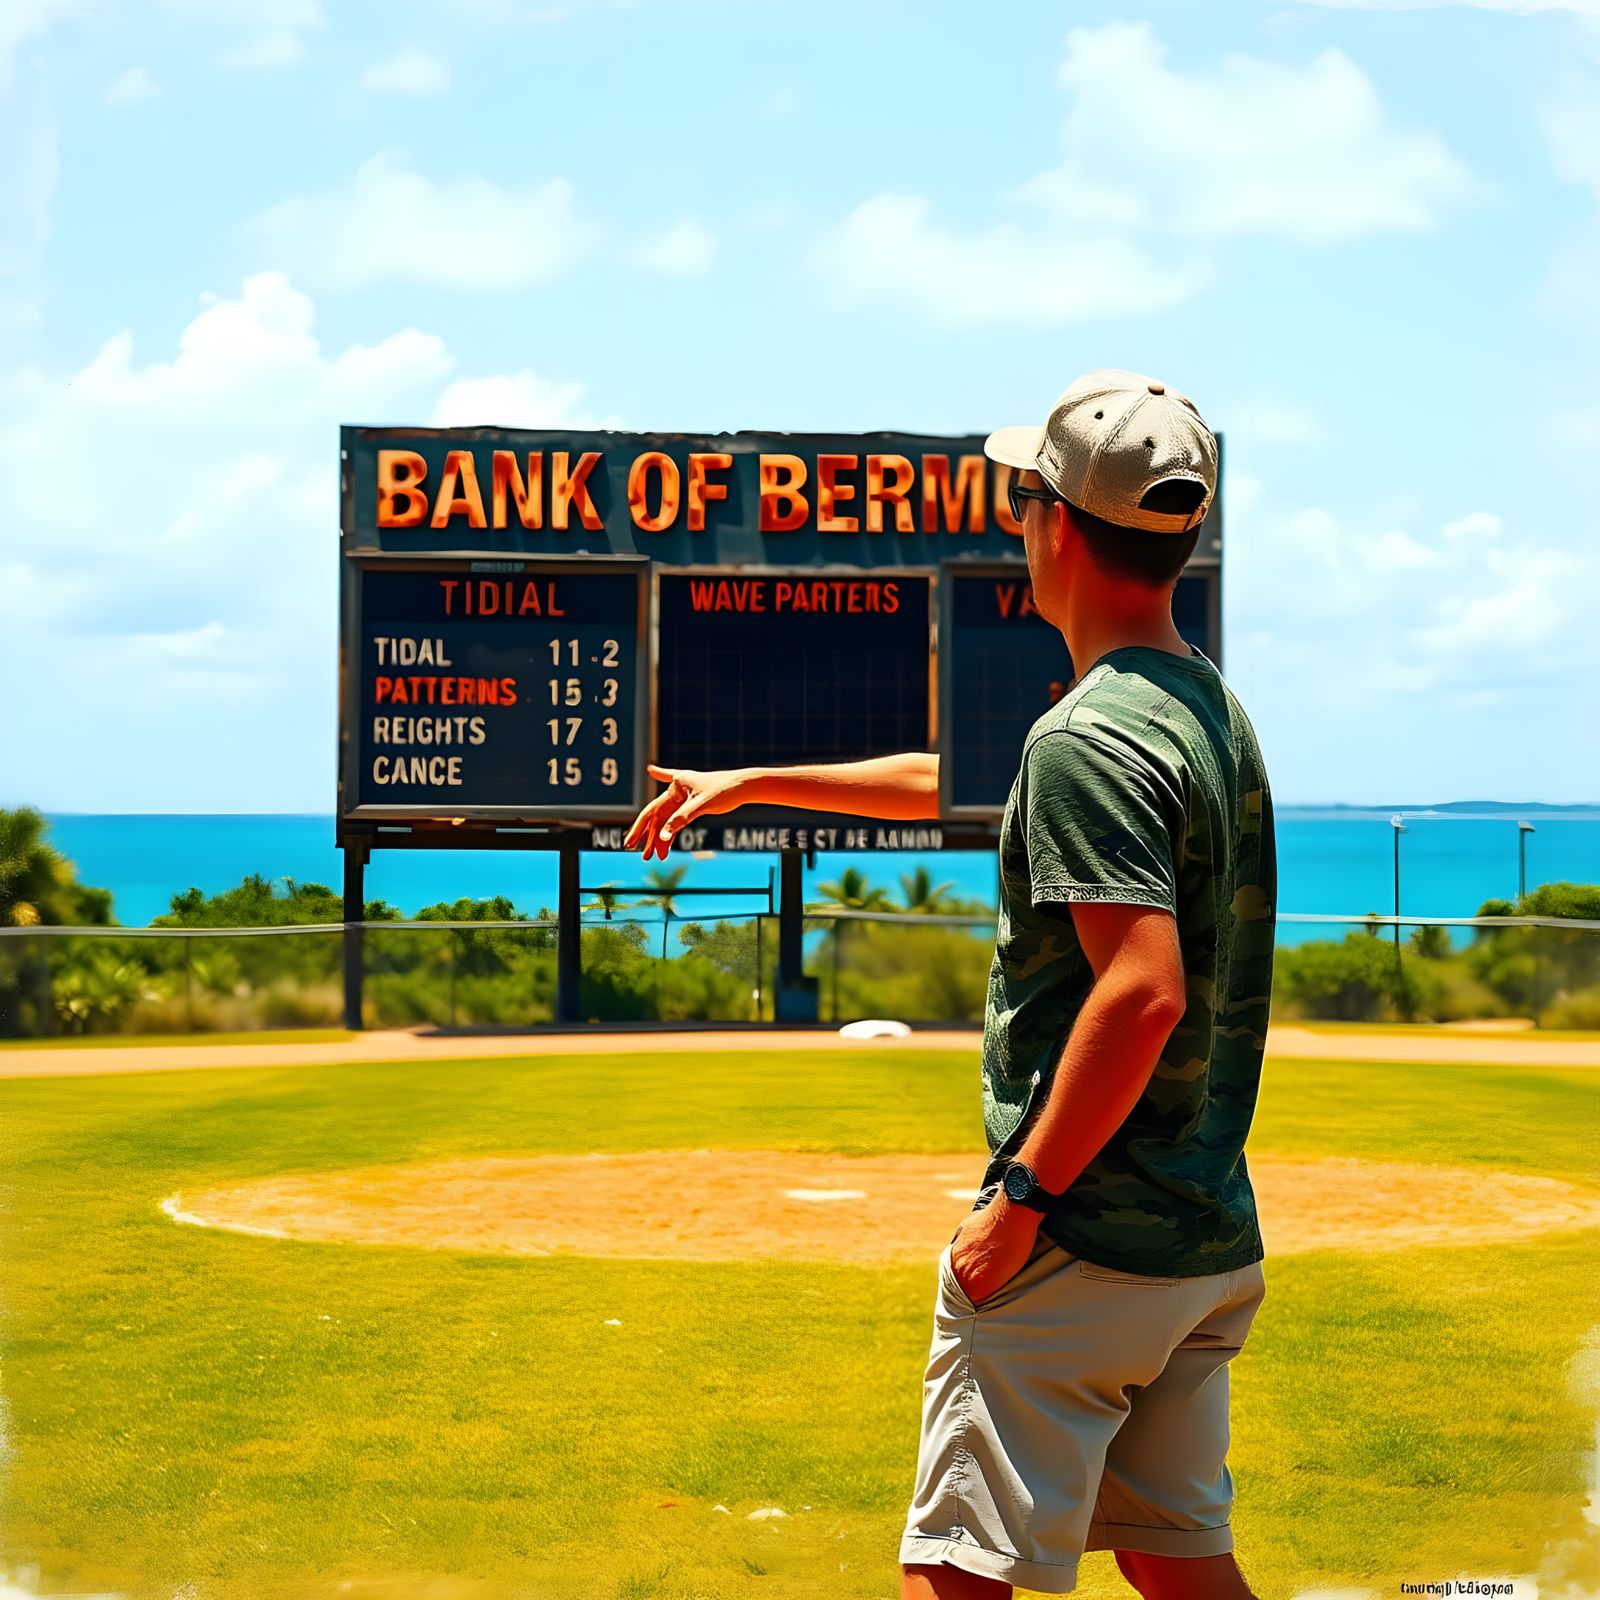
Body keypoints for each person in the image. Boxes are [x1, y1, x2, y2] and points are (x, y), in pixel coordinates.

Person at [623, 369, 1277, 1600]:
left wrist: (1020, 1201)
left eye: (1025, 495)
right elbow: (970, 776)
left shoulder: (1086, 736)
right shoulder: (1198, 708)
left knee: (953, 1571)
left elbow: (1140, 992)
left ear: (1054, 522)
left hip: (1080, 1241)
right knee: (1177, 1562)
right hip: (1194, 1236)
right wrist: (751, 777)